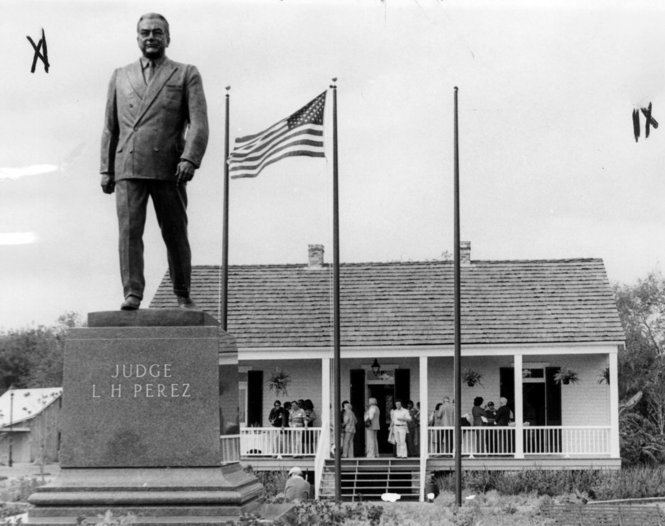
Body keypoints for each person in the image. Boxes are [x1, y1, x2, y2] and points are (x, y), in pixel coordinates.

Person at [100, 13, 209, 311]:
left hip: (170, 167)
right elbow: (111, 127)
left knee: (175, 233)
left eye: (157, 33)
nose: (151, 37)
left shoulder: (186, 73)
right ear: (137, 38)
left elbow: (198, 123)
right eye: (145, 33)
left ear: (167, 38)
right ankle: (132, 292)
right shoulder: (120, 75)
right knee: (129, 233)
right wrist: (106, 169)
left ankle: (182, 292)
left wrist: (190, 158)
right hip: (128, 165)